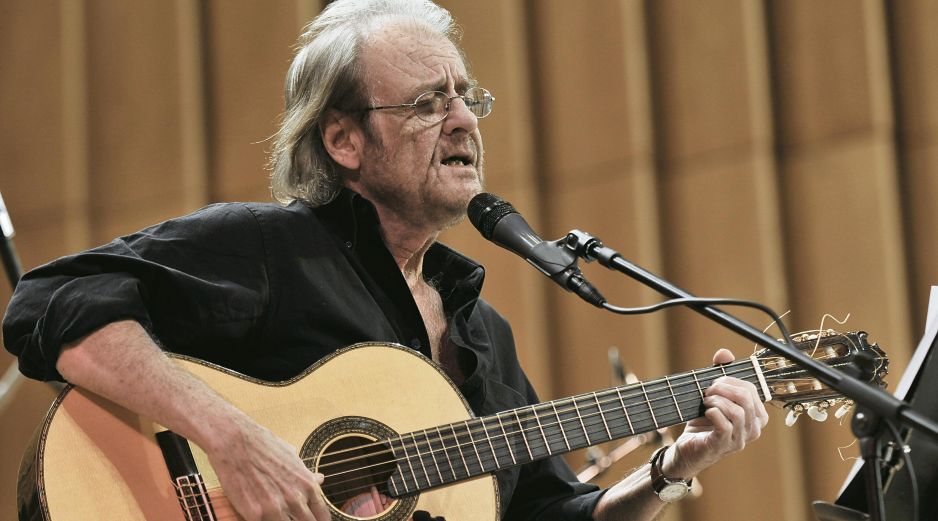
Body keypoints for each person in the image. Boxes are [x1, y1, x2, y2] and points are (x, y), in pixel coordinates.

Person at [2, 1, 769, 520]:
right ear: (344, 141)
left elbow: (549, 511)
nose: (465, 118)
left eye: (468, 97)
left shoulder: (480, 333)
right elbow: (50, 299)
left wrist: (668, 469)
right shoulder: (272, 251)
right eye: (429, 102)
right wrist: (235, 440)